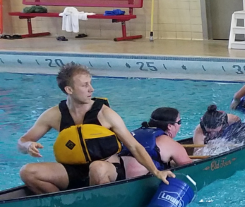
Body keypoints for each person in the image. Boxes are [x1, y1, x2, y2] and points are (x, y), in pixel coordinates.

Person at [16, 64, 173, 193]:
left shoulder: (105, 113)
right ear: (68, 90)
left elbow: (134, 146)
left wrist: (156, 172)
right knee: (28, 172)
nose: (91, 89)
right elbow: (23, 141)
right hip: (72, 171)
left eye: (90, 83)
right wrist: (28, 145)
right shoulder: (54, 115)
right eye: (85, 85)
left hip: (107, 169)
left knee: (96, 167)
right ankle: (60, 204)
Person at [121, 107, 193, 178]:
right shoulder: (170, 144)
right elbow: (190, 168)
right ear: (170, 126)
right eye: (179, 122)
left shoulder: (133, 134)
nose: (180, 125)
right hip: (141, 180)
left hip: (119, 174)